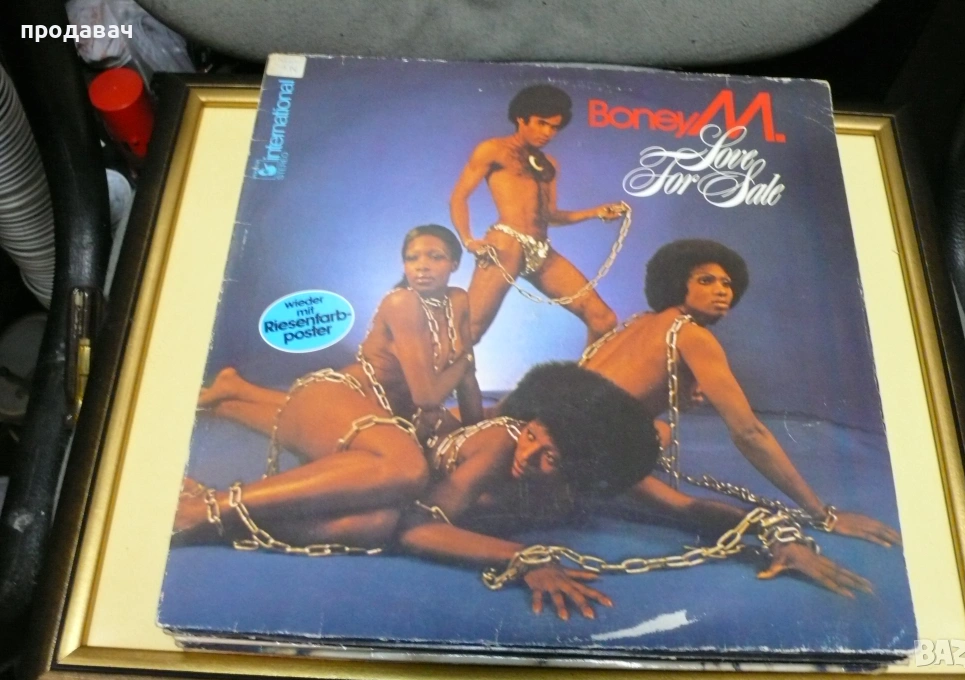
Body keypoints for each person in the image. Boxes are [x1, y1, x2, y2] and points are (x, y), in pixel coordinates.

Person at [398, 362, 875, 621]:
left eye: (551, 457)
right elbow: (415, 528)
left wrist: (777, 535)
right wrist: (524, 559)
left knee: (653, 440)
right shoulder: (504, 445)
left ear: (579, 469)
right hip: (425, 439)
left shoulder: (586, 469)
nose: (530, 454)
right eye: (533, 435)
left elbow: (687, 508)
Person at [173, 225, 482, 551]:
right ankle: (209, 506)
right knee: (403, 466)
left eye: (435, 257)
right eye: (412, 258)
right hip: (342, 393)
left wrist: (475, 432)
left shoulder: (457, 300)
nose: (422, 266)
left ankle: (232, 393)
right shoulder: (402, 302)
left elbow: (467, 379)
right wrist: (464, 361)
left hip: (374, 411)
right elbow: (428, 396)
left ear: (454, 263)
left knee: (377, 517)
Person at [579, 239, 902, 547]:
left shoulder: (640, 322)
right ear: (677, 284)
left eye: (727, 283)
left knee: (659, 430)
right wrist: (822, 515)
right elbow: (749, 433)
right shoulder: (692, 336)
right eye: (706, 280)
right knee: (655, 437)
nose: (722, 290)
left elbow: (609, 386)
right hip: (581, 457)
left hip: (558, 429)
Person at [450, 84, 627, 345]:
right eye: (541, 123)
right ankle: (425, 372)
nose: (547, 133)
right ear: (521, 119)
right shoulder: (493, 149)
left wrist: (596, 212)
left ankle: (582, 374)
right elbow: (458, 198)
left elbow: (550, 215)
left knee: (603, 319)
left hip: (541, 250)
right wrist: (468, 240)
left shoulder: (549, 163)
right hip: (506, 244)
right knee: (470, 331)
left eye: (554, 127)